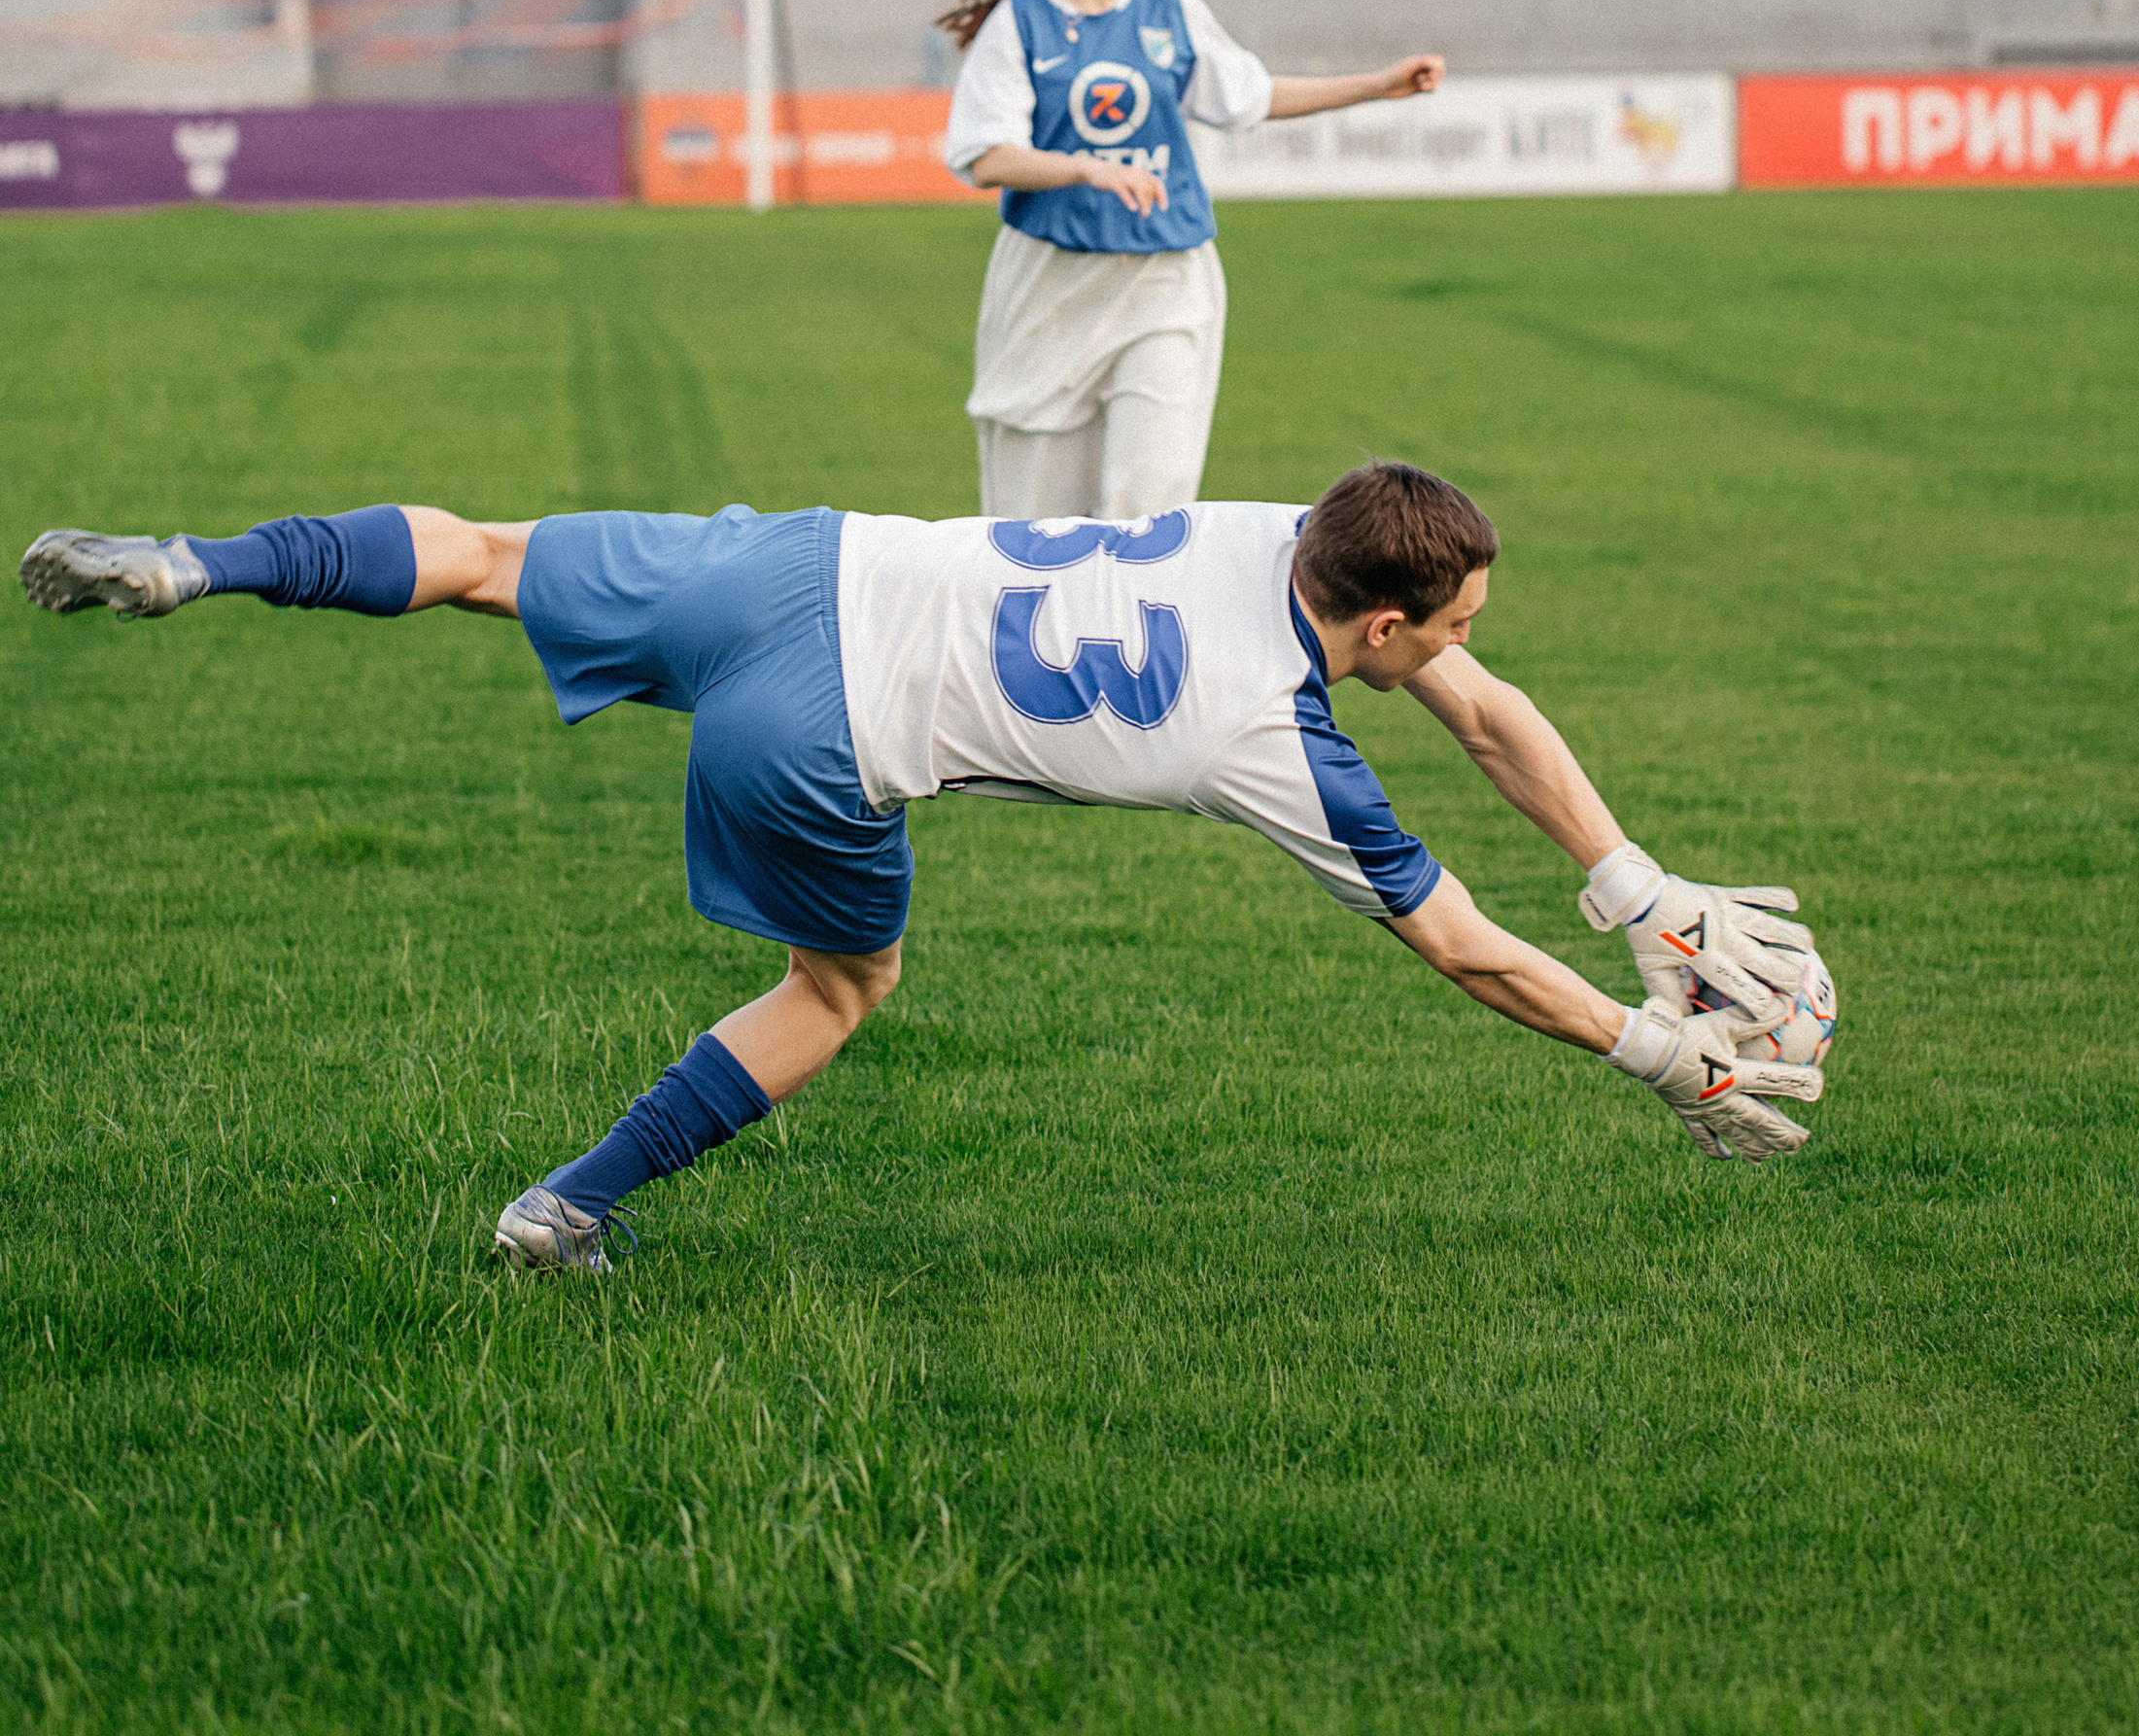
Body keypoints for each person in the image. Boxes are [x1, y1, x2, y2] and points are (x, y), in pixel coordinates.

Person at [19, 468, 1832, 1273]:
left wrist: (1639, 887)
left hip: (802, 563)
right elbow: (1466, 955)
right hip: (822, 731)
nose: (1459, 644)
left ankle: (199, 560)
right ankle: (559, 1210)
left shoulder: (1287, 521)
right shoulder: (1265, 738)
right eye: (1442, 623)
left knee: (488, 551)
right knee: (839, 989)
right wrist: (1665, 1050)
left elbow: (1484, 704)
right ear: (1375, 612)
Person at [938, 0, 1446, 517]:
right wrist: (1083, 167)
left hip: (1166, 278)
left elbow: (1251, 96)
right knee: (1039, 522)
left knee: (1147, 501)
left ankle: (1135, 622)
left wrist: (1378, 85)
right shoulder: (1018, 21)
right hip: (1052, 281)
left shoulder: (1169, 5)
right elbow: (984, 155)